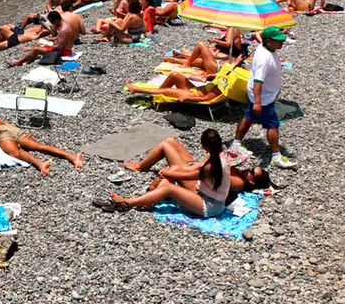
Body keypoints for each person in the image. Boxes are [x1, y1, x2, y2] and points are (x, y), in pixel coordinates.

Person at [96, 129, 232, 217]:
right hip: (201, 191)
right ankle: (149, 199)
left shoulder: (214, 165)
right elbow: (191, 169)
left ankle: (127, 203)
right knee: (173, 171)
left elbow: (187, 176)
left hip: (210, 205)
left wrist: (166, 173)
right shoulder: (216, 154)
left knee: (168, 187)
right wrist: (171, 171)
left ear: (205, 146)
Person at [119, 136, 272, 198]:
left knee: (167, 149)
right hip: (198, 172)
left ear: (252, 182)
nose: (248, 169)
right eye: (252, 167)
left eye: (252, 172)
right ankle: (142, 166)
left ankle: (142, 172)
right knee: (171, 140)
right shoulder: (238, 173)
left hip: (196, 185)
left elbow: (197, 174)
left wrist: (176, 172)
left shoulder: (238, 182)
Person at [230, 26, 297, 169]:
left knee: (249, 117)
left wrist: (281, 31)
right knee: (273, 125)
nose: (282, 42)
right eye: (278, 40)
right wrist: (258, 102)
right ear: (269, 41)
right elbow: (258, 81)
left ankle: (235, 143)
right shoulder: (264, 58)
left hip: (259, 94)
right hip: (263, 97)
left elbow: (259, 33)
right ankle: (276, 156)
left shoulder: (263, 46)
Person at [8, 11, 79, 66]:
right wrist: (52, 39)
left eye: (52, 22)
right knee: (37, 46)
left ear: (56, 20)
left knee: (36, 49)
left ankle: (19, 62)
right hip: (64, 48)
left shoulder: (63, 29)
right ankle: (29, 59)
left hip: (64, 52)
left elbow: (58, 47)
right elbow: (63, 38)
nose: (52, 24)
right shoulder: (65, 25)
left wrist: (44, 46)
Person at [125, 71, 223, 102]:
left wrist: (186, 98)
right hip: (194, 89)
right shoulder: (228, 75)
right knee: (174, 75)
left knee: (166, 91)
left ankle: (135, 89)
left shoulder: (224, 86)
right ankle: (156, 96)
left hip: (193, 95)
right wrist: (214, 76)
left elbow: (205, 98)